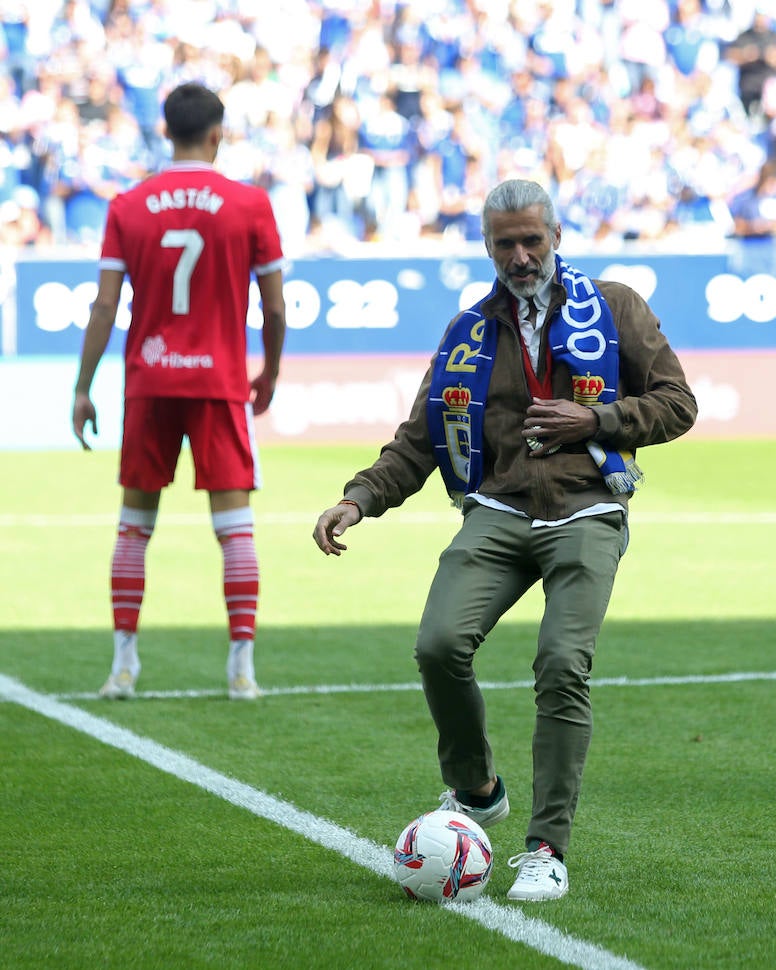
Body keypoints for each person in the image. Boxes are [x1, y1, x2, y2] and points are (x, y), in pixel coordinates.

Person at [310, 179, 696, 900]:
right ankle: (478, 789)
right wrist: (358, 498)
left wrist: (598, 422)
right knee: (437, 645)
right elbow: (420, 440)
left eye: (531, 241)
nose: (520, 257)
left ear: (556, 236)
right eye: (504, 245)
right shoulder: (469, 330)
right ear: (487, 246)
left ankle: (547, 847)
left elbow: (679, 404)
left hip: (588, 508)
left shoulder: (614, 308)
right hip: (498, 509)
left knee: (559, 663)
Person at [71, 82, 287, 702]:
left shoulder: (129, 205)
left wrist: (83, 387)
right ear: (217, 133)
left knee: (134, 526)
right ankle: (241, 669)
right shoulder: (249, 205)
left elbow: (106, 305)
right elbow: (273, 307)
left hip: (150, 378)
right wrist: (269, 371)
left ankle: (123, 667)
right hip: (218, 381)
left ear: (166, 132)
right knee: (236, 527)